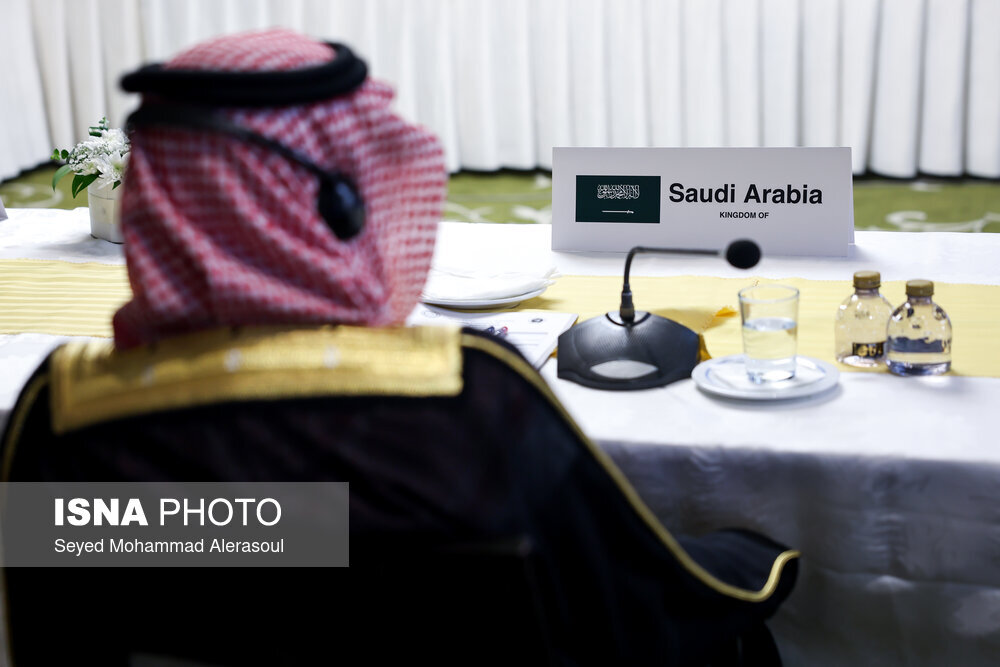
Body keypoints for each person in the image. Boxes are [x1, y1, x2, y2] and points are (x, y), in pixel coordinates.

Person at [1, 29, 798, 665]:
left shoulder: (63, 418)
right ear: (341, 206)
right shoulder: (468, 399)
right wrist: (752, 562)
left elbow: (55, 632)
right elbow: (625, 600)